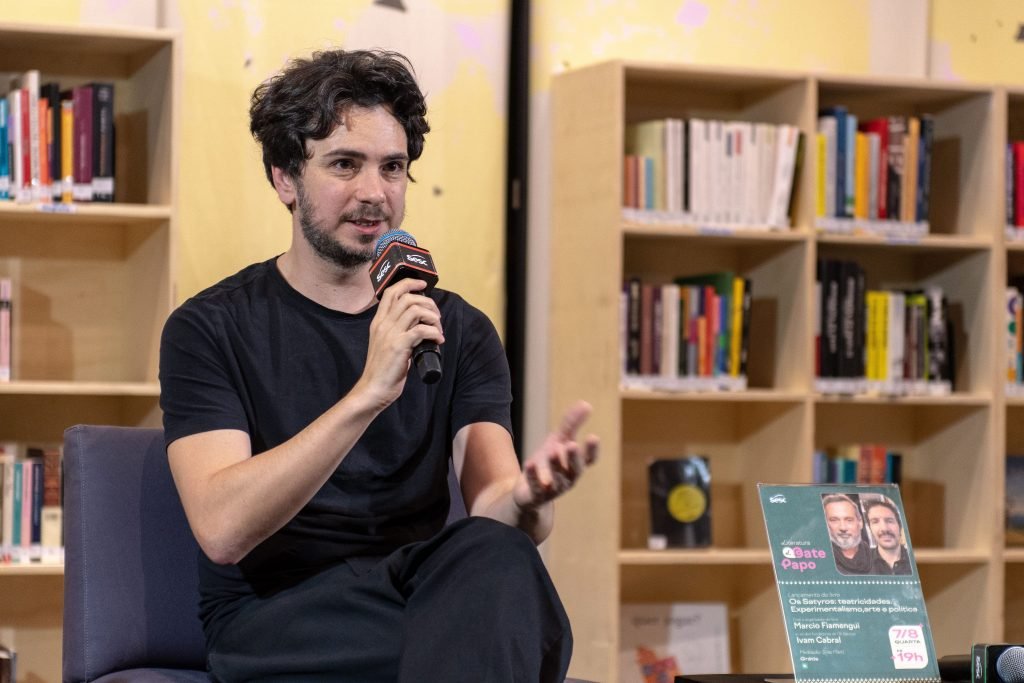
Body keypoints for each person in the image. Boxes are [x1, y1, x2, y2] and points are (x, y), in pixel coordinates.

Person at [159, 48, 599, 682]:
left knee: (499, 557)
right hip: (275, 619)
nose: (374, 194)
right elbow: (222, 529)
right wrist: (369, 391)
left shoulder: (459, 329)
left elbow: (496, 506)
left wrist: (530, 499)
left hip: (415, 596)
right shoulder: (210, 327)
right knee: (515, 627)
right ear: (285, 177)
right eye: (344, 164)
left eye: (392, 168)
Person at [822, 493, 872, 575]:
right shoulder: (819, 560)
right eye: (834, 520)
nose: (843, 528)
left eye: (849, 520)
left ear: (860, 523)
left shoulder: (877, 558)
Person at [863, 497, 912, 575]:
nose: (884, 528)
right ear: (870, 529)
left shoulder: (914, 559)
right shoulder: (862, 564)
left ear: (899, 526)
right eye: (875, 522)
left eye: (889, 521)